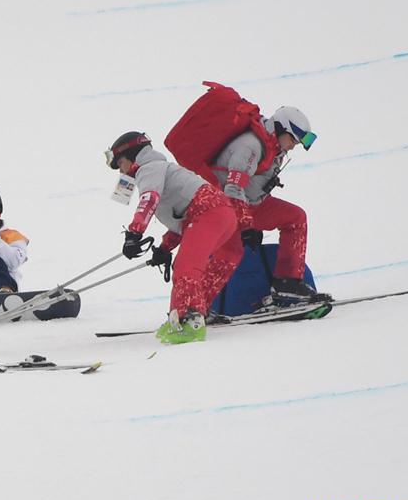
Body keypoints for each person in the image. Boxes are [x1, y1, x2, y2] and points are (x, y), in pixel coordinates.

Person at [106, 131, 238, 343]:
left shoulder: (148, 168)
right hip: (218, 215)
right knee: (185, 265)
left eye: (120, 163)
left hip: (209, 213)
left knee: (186, 267)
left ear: (132, 156)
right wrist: (165, 248)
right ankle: (184, 315)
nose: (121, 170)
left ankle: (191, 320)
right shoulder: (160, 169)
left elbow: (150, 199)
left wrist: (134, 233)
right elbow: (185, 220)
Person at [206, 106, 331, 304]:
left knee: (295, 218)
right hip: (228, 209)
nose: (292, 147)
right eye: (292, 141)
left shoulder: (275, 146)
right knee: (230, 253)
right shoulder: (250, 146)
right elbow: (232, 189)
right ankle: (195, 306)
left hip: (251, 205)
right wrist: (247, 226)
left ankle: (287, 283)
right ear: (280, 129)